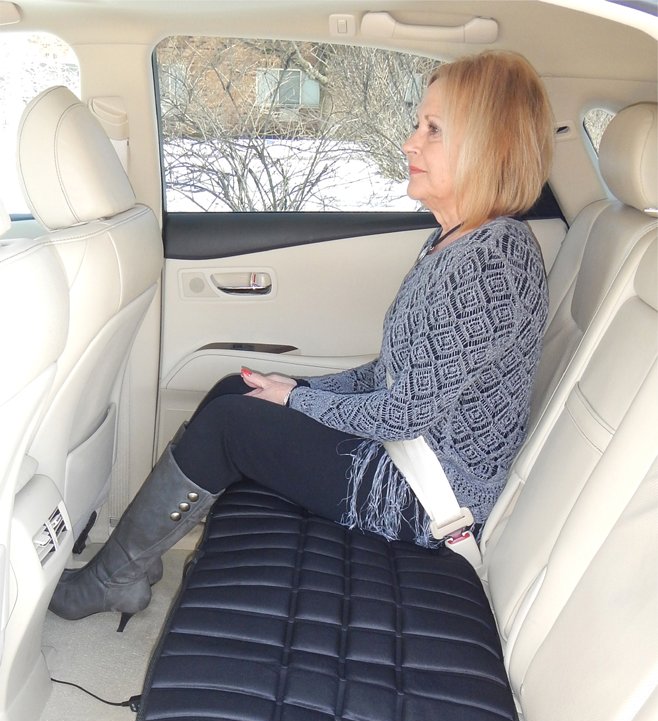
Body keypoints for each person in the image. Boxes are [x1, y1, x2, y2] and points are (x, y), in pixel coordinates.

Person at [50, 49, 554, 626]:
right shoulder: (456, 242)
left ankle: (112, 579)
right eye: (418, 125)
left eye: (432, 130)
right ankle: (129, 569)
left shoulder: (493, 261)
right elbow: (388, 373)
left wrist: (297, 400)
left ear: (490, 146)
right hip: (411, 458)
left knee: (231, 424)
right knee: (235, 390)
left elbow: (405, 413)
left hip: (427, 496)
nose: (409, 143)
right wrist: (297, 387)